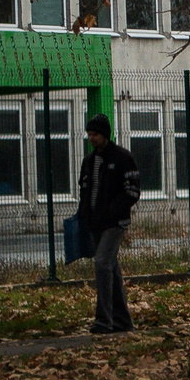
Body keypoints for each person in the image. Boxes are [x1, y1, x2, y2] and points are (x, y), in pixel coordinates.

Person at [77, 113, 141, 334]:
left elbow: (132, 191)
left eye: (95, 134)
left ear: (105, 135)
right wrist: (84, 215)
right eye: (89, 134)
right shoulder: (89, 161)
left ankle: (104, 320)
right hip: (95, 222)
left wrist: (112, 210)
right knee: (111, 268)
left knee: (102, 263)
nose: (91, 138)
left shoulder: (123, 158)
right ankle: (122, 321)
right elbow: (85, 190)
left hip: (115, 222)